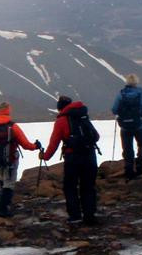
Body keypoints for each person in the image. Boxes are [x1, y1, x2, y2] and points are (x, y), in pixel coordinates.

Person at [39, 95, 100, 225]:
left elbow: (54, 143)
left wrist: (44, 156)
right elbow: (96, 136)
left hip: (73, 157)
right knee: (88, 186)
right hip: (90, 154)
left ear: (60, 107)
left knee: (70, 186)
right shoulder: (83, 115)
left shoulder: (61, 120)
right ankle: (89, 216)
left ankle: (75, 216)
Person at [0, 101, 41, 217]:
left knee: (3, 179)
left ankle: (5, 203)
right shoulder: (13, 126)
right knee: (9, 184)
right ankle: (3, 209)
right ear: (8, 110)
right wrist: (36, 146)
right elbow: (25, 145)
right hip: (11, 160)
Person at [111, 74, 142, 180]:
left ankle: (129, 171)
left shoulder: (121, 94)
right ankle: (139, 166)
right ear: (136, 82)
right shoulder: (141, 93)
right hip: (139, 125)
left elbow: (114, 110)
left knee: (127, 148)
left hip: (125, 126)